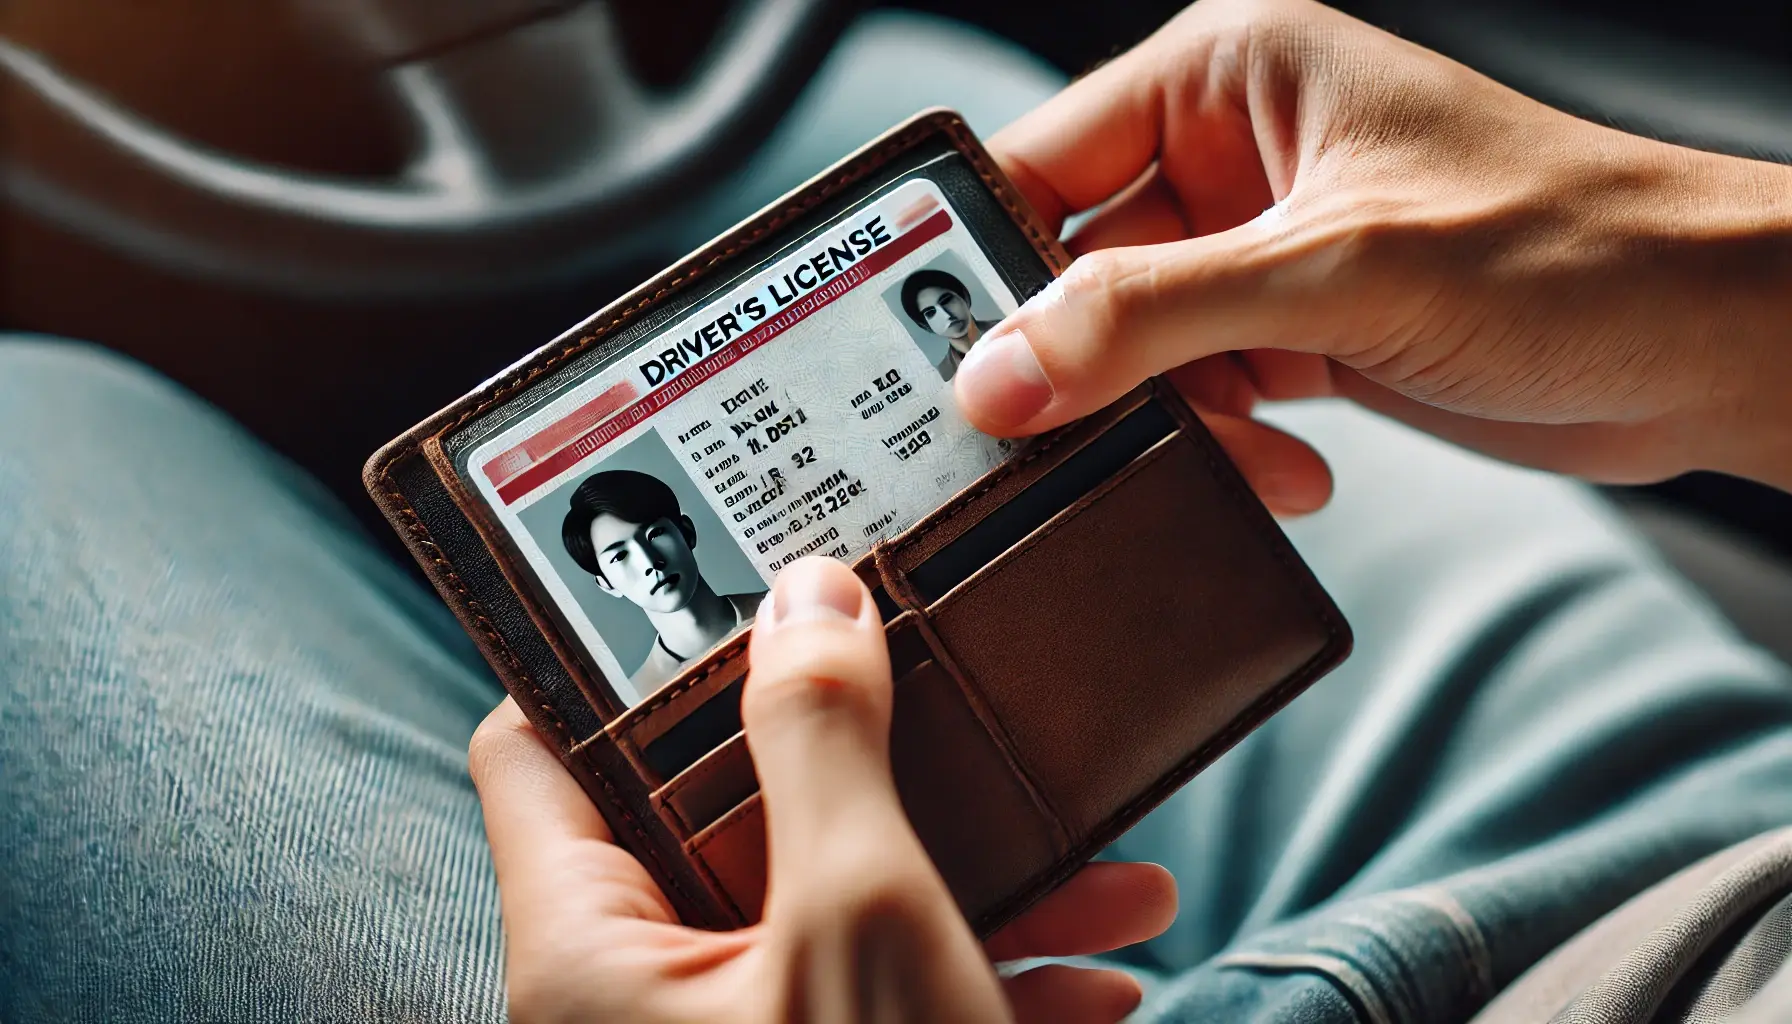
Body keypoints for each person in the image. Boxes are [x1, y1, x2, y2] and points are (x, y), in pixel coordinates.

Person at [7, 2, 1792, 1022]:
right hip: (1722, 857)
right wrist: (1735, 298)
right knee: (908, 118)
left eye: (633, 542)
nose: (631, 561)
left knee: (38, 432)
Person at [560, 469, 765, 695]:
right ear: (606, 584)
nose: (650, 561)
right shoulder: (639, 694)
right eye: (620, 556)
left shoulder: (781, 603)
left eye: (655, 533)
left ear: (686, 532)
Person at [898, 267, 1001, 380]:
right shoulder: (944, 375)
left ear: (964, 297)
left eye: (946, 301)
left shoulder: (1008, 328)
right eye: (931, 312)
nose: (947, 315)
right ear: (926, 325)